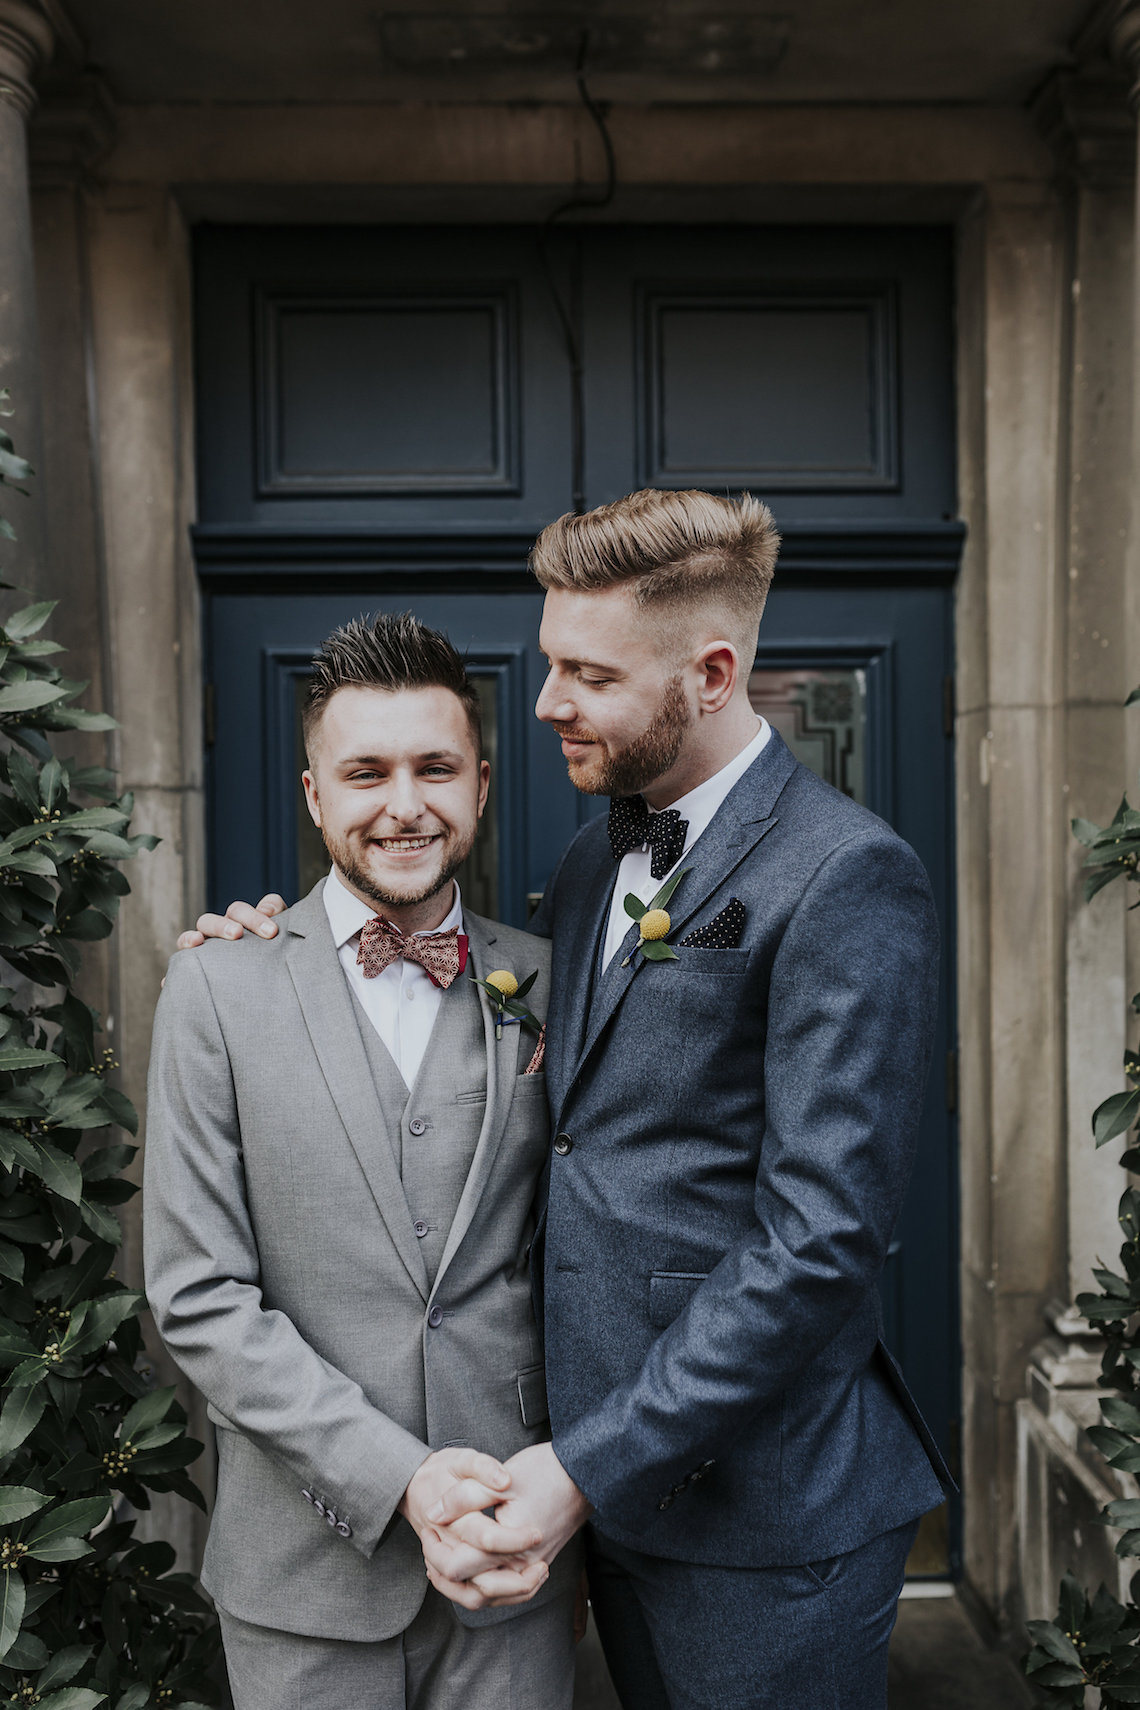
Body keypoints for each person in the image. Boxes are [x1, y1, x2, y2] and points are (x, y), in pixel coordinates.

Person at [183, 488, 953, 1710]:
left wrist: (583, 1467)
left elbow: (821, 1242)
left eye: (585, 675)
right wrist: (272, 957)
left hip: (762, 1516)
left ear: (708, 673)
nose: (547, 703)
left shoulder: (848, 873)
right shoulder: (598, 861)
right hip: (598, 1522)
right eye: (549, 665)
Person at [145, 613, 580, 1710]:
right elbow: (197, 1296)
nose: (404, 805)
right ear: (314, 795)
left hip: (512, 1557)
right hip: (304, 1576)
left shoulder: (556, 984)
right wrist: (401, 1480)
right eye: (367, 772)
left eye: (435, 768)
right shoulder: (216, 990)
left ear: (480, 784)